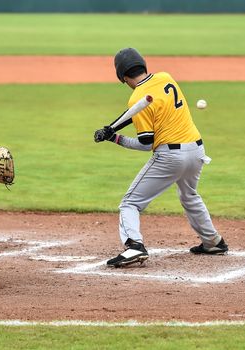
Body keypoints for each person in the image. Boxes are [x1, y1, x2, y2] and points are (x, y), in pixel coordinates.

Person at [94, 47, 228, 268]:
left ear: (122, 76)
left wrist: (115, 138)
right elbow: (142, 107)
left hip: (170, 158)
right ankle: (213, 242)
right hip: (197, 151)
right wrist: (112, 127)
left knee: (130, 203)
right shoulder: (166, 77)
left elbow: (145, 144)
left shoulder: (136, 97)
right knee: (189, 195)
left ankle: (134, 246)